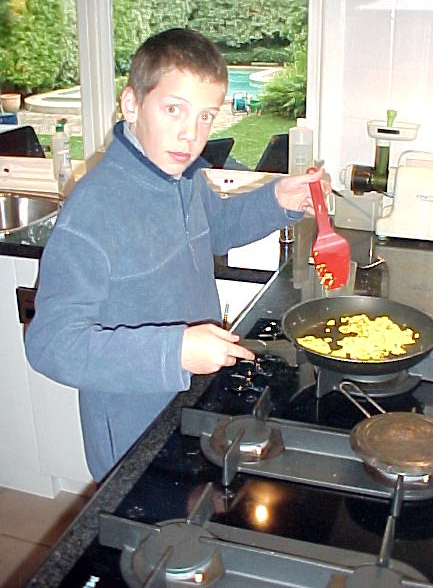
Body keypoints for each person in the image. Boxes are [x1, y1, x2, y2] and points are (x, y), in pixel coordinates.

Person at [25, 28, 326, 483]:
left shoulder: (182, 177)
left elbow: (215, 230)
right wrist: (175, 351)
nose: (191, 135)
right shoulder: (93, 210)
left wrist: (277, 201)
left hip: (188, 400)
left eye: (206, 116)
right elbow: (50, 344)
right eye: (173, 110)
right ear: (132, 104)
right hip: (133, 433)